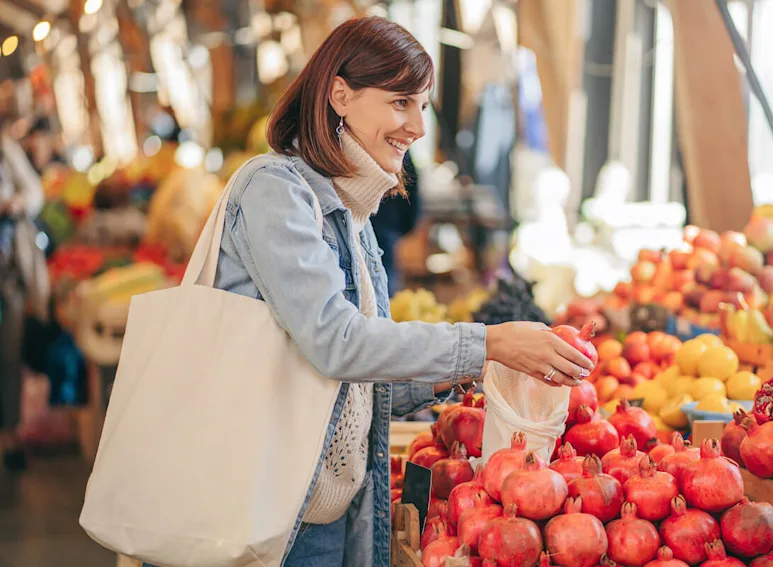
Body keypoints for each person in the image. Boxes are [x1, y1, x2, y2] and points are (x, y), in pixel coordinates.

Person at [149, 16, 593, 567]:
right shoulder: (274, 191)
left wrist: (468, 373)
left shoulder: (355, 218)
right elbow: (337, 343)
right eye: (401, 101)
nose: (417, 126)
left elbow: (353, 388)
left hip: (321, 523)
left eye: (424, 105)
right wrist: (487, 343)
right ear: (340, 94)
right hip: (252, 519)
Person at [0, 113, 46, 472]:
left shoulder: (6, 151)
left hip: (8, 272)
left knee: (9, 354)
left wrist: (14, 203)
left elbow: (34, 193)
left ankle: (10, 435)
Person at [371, 150, 420, 295]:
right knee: (384, 282)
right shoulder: (398, 148)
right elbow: (411, 186)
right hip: (387, 226)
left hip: (383, 224)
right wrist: (407, 226)